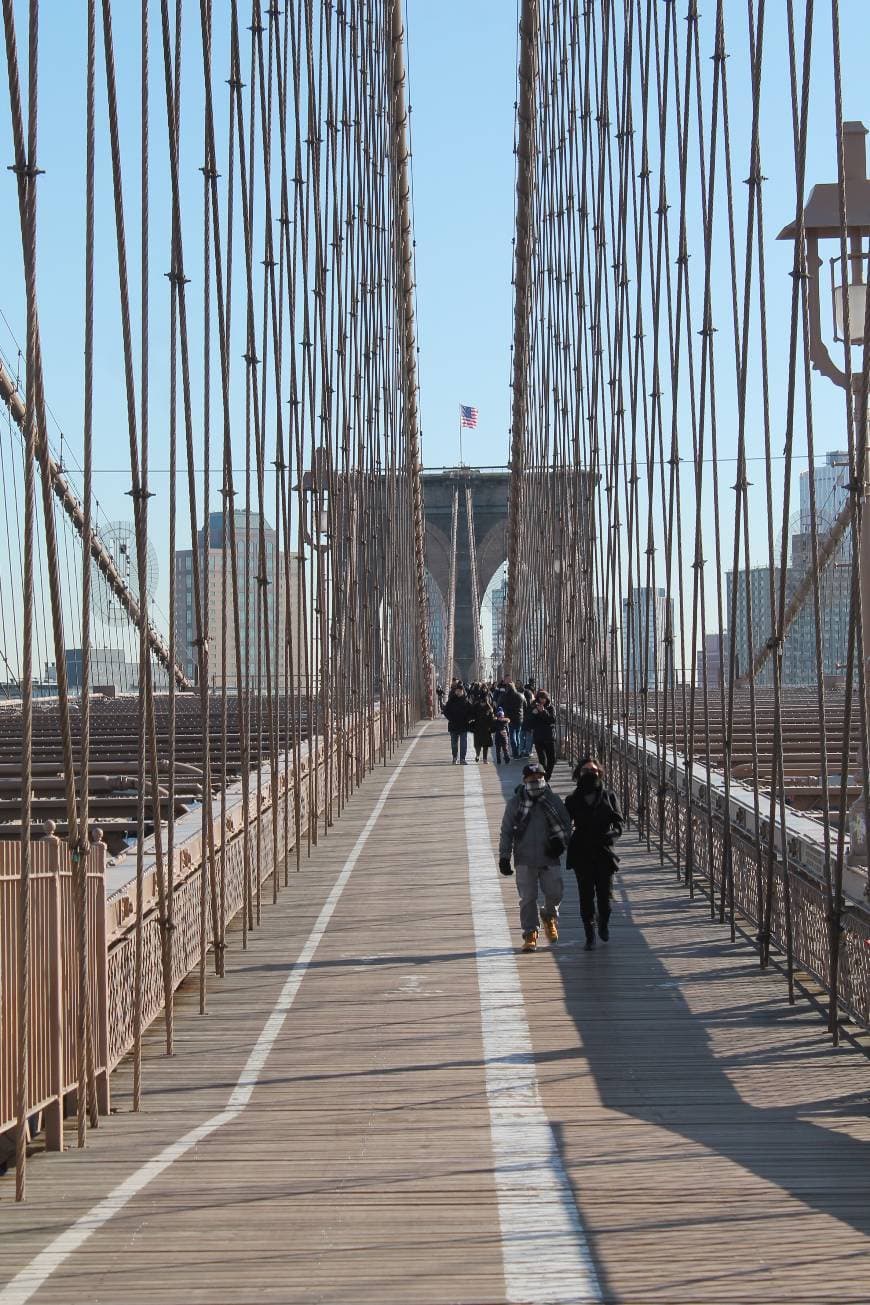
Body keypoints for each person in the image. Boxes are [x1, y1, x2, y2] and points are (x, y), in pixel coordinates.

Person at [498, 762, 572, 952]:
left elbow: (565, 824)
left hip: (549, 856)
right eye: (532, 778)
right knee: (528, 898)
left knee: (555, 892)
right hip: (525, 858)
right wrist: (504, 857)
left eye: (540, 777)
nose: (537, 781)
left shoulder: (553, 800)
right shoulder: (516, 803)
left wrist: (560, 844)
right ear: (525, 780)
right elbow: (507, 831)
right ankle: (530, 932)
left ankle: (549, 915)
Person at [565, 756, 624, 949]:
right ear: (579, 774)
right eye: (586, 771)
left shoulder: (609, 796)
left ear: (600, 773)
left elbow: (618, 823)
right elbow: (564, 825)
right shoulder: (572, 799)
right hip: (582, 851)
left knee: (605, 897)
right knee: (586, 895)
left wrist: (612, 835)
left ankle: (603, 923)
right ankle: (589, 934)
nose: (591, 774)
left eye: (594, 771)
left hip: (604, 850)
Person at [441, 684, 473, 764]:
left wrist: (468, 719)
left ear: (463, 691)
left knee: (463, 744)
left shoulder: (466, 701)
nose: (458, 692)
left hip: (463, 725)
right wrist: (450, 718)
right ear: (455, 691)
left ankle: (462, 759)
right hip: (453, 725)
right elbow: (446, 711)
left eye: (460, 691)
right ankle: (455, 757)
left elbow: (472, 712)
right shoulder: (451, 700)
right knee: (454, 743)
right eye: (457, 691)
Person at [529, 690, 557, 779]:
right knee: (542, 760)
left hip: (549, 737)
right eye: (541, 698)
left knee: (552, 759)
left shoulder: (550, 707)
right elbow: (529, 722)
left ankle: (547, 776)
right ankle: (544, 777)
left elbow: (552, 720)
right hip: (538, 737)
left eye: (544, 698)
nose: (542, 700)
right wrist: (534, 714)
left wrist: (543, 711)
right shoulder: (533, 707)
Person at [501, 680, 526, 759]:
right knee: (518, 734)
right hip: (519, 718)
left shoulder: (505, 696)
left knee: (512, 735)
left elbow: (500, 705)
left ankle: (515, 752)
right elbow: (525, 705)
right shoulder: (520, 695)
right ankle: (518, 751)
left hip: (510, 718)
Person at [471, 694, 495, 763]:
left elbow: (491, 719)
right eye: (482, 702)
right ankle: (480, 757)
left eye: (483, 703)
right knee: (481, 745)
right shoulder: (486, 708)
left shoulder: (488, 708)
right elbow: (491, 719)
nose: (482, 704)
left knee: (482, 745)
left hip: (482, 728)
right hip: (481, 728)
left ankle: (482, 757)